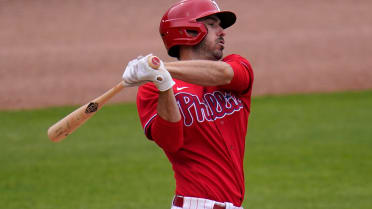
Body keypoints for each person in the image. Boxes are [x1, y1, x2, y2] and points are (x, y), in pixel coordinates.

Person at [122, 0, 254, 208]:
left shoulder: (237, 65)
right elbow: (171, 142)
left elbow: (222, 74)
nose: (222, 32)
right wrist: (163, 83)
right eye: (212, 24)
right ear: (188, 31)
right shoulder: (151, 89)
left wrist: (161, 67)